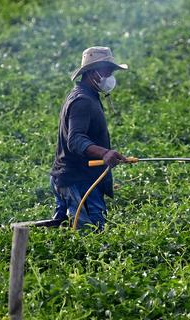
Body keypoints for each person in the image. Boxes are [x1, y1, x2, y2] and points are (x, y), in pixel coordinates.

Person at [50, 46, 134, 231]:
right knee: (90, 232)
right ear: (92, 72)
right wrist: (104, 153)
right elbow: (75, 140)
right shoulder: (82, 101)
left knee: (68, 229)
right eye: (107, 71)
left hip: (76, 178)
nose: (110, 76)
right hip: (77, 181)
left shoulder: (88, 95)